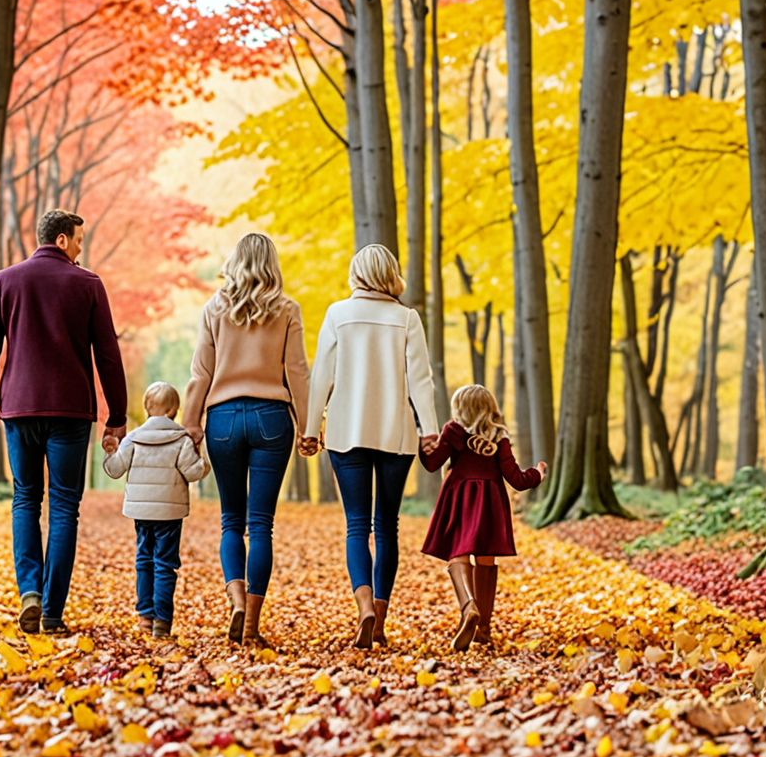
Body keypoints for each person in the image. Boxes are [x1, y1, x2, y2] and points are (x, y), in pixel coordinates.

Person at [0, 209, 128, 635]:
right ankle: (53, 610)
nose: (81, 248)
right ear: (61, 240)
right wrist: (117, 415)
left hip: (19, 409)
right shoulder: (88, 284)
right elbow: (108, 354)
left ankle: (30, 592)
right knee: (64, 507)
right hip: (71, 411)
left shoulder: (4, 281)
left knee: (25, 499)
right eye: (78, 239)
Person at [303, 244, 439, 650]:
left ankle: (362, 605)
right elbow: (421, 381)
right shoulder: (407, 318)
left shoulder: (337, 315)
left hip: (347, 433)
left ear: (356, 274)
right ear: (390, 275)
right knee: (388, 528)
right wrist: (429, 430)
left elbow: (321, 377)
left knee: (357, 526)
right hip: (396, 436)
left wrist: (311, 428)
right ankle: (378, 620)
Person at [182, 233, 312, 645]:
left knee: (231, 521)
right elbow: (298, 373)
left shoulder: (214, 308)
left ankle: (235, 598)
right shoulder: (287, 309)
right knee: (261, 525)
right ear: (271, 265)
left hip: (222, 419)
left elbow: (200, 374)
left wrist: (191, 424)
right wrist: (309, 428)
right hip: (272, 418)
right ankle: (253, 624)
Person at [419, 385, 546, 650]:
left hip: (459, 497)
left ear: (460, 409)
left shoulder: (453, 432)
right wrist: (538, 473)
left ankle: (468, 607)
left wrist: (423, 449)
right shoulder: (499, 437)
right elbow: (517, 479)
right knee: (486, 559)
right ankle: (484, 630)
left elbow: (432, 465)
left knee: (458, 554)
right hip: (490, 500)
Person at [102, 382, 209, 640]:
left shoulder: (133, 439)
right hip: (170, 513)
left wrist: (110, 452)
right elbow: (193, 472)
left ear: (147, 407)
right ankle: (162, 620)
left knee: (144, 560)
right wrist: (202, 455)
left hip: (142, 511)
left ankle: (145, 616)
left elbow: (115, 470)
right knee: (164, 564)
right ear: (174, 410)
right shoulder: (182, 439)